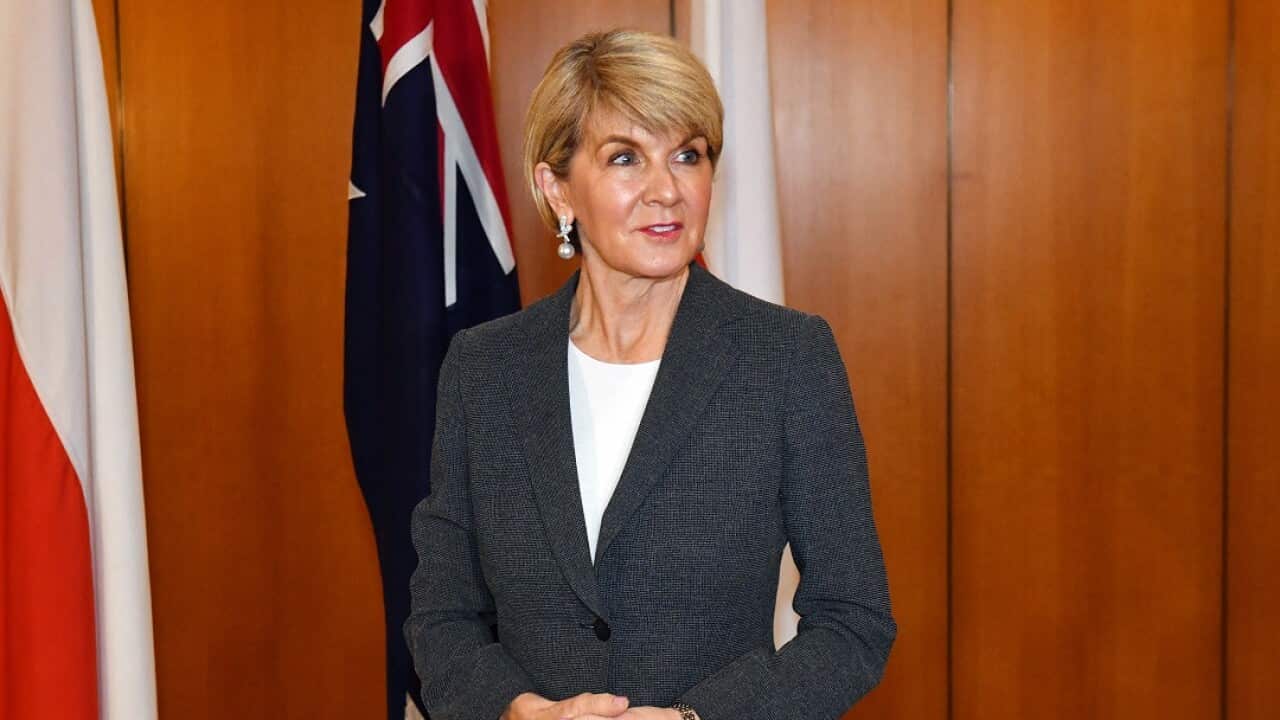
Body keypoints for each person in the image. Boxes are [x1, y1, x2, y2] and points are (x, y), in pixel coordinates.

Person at [404, 29, 895, 720]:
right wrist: (518, 711)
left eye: (688, 156)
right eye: (626, 158)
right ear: (557, 188)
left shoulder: (786, 359)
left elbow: (853, 622)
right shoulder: (485, 370)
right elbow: (443, 615)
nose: (666, 190)